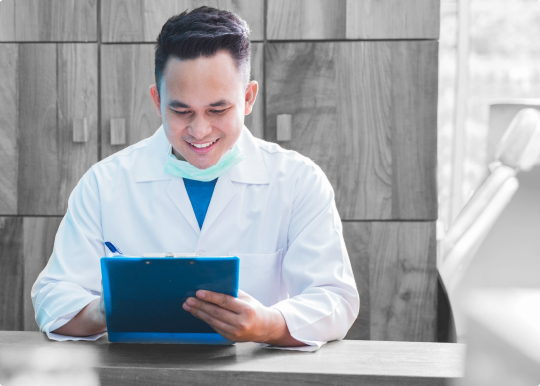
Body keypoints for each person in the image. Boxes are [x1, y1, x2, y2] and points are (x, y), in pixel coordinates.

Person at [32, 6, 359, 350]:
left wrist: (267, 325)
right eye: (181, 110)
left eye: (217, 110)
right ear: (157, 101)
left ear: (247, 98)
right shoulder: (104, 184)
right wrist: (107, 308)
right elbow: (52, 297)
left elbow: (335, 298)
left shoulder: (298, 181)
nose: (199, 130)